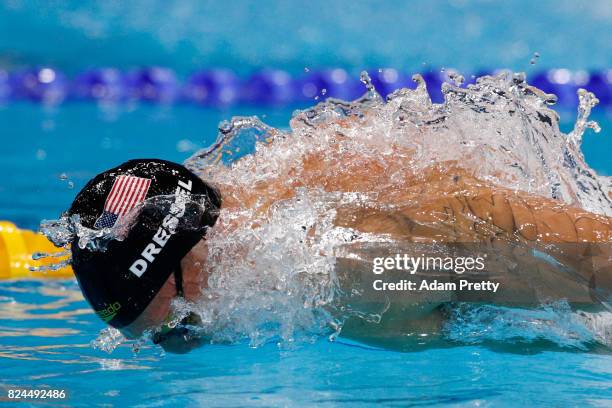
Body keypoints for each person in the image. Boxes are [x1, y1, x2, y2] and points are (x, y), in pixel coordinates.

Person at [68, 152, 612, 353]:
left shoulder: (350, 270)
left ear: (190, 261)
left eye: (178, 330)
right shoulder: (263, 185)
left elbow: (584, 278)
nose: (182, 349)